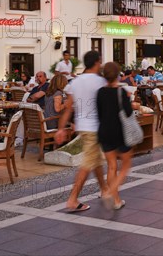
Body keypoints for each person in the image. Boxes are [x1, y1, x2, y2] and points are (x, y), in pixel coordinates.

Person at [56, 50, 109, 213]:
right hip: (94, 126)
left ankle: (105, 190)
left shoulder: (75, 82)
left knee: (96, 160)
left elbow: (68, 108)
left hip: (82, 126)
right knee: (88, 163)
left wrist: (61, 128)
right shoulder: (100, 81)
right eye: (100, 62)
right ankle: (72, 199)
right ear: (96, 62)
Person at [97, 62, 141, 210]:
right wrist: (131, 102)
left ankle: (116, 201)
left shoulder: (100, 92)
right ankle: (110, 193)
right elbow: (128, 113)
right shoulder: (121, 92)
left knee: (111, 166)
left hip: (104, 131)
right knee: (126, 164)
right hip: (119, 132)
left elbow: (99, 113)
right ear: (117, 75)